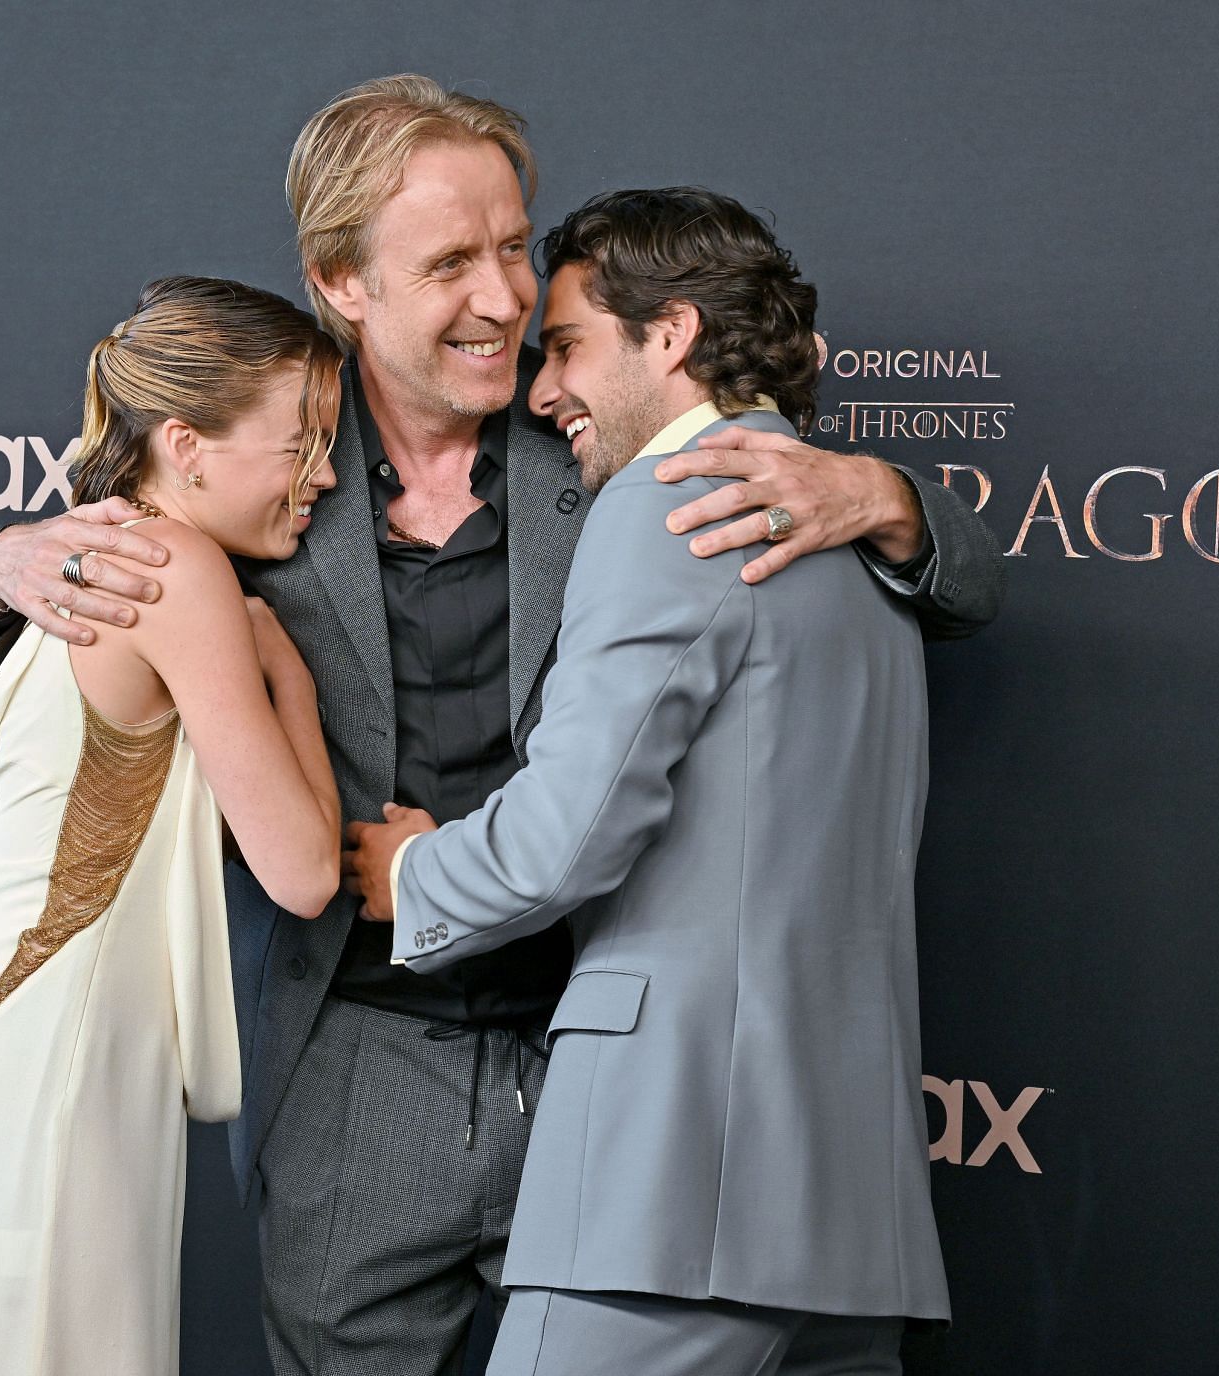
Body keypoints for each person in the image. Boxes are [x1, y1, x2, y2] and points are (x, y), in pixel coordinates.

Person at [0, 76, 999, 1376]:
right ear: (344, 283)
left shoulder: (617, 441)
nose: (503, 297)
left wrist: (889, 495)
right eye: (452, 262)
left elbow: (958, 585)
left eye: (513, 244)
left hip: (605, 1062)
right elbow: (104, 580)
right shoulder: (267, 452)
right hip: (359, 1069)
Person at [346, 187, 949, 1376]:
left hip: (670, 1195)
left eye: (566, 344)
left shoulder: (666, 506)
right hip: (852, 1221)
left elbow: (565, 837)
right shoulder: (862, 538)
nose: (541, 388)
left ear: (668, 336)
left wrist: (410, 868)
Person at [0, 276, 344, 1376]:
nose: (324, 474)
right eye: (302, 442)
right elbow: (304, 870)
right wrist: (287, 674)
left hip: (43, 1073)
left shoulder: (91, 552)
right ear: (187, 444)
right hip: (57, 1089)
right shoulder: (175, 569)